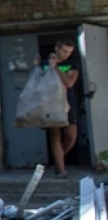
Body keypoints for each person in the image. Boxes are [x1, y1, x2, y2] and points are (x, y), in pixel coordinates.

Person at [39, 38, 80, 178]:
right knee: (55, 136)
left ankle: (57, 160)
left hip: (68, 103)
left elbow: (69, 82)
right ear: (57, 48)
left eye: (69, 52)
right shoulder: (44, 64)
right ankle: (61, 171)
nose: (66, 54)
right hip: (50, 104)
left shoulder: (72, 64)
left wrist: (55, 67)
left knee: (71, 137)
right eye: (64, 51)